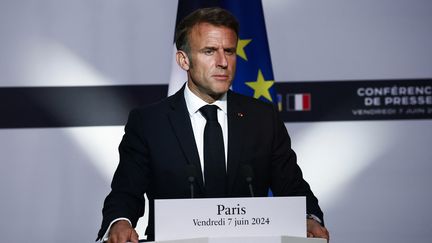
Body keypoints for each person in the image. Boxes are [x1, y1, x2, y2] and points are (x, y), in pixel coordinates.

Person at [97, 7, 330, 243]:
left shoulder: (263, 118)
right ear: (183, 59)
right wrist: (120, 222)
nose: (222, 62)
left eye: (229, 51)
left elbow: (292, 187)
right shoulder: (149, 122)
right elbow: (126, 192)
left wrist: (309, 218)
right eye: (209, 51)